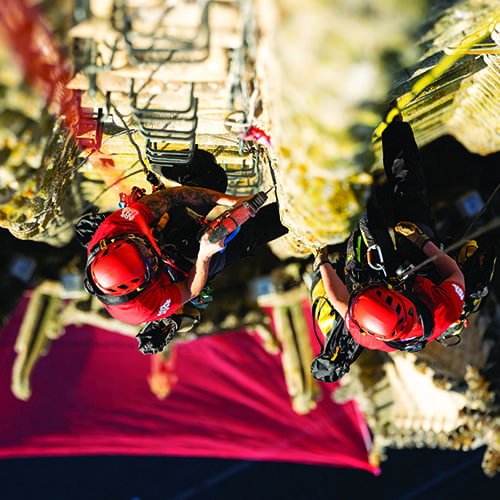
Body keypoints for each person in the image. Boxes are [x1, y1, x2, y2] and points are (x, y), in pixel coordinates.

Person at [79, 149, 288, 329]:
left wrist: (231, 201)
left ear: (122, 240)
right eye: (149, 259)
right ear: (142, 283)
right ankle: (293, 215)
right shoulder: (142, 307)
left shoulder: (114, 229)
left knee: (213, 179)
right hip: (180, 270)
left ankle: (165, 164)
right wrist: (204, 255)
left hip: (159, 229)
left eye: (141, 245)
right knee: (251, 235)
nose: (151, 250)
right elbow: (188, 289)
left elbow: (172, 197)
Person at [312, 116, 465, 360]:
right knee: (409, 195)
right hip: (422, 273)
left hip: (378, 276)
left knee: (362, 215)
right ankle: (395, 126)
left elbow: (340, 298)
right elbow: (454, 272)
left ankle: (340, 148)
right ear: (403, 301)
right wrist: (422, 242)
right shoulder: (445, 310)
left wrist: (322, 260)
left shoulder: (366, 332)